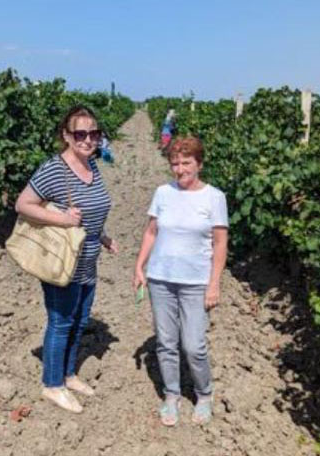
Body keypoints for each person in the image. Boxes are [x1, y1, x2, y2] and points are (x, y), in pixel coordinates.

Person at [15, 105, 118, 413]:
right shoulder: (54, 170)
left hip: (88, 260)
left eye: (94, 133)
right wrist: (62, 219)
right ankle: (52, 384)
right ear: (67, 136)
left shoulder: (92, 165)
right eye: (80, 133)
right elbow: (23, 204)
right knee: (61, 322)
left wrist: (102, 236)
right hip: (63, 263)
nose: (88, 139)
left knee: (80, 320)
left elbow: (92, 209)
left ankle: (69, 374)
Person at [133, 136, 228, 426]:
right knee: (166, 342)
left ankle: (204, 394)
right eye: (175, 163)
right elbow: (151, 232)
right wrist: (139, 266)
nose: (180, 169)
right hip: (161, 279)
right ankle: (171, 395)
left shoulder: (214, 197)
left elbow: (220, 243)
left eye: (186, 163)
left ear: (199, 164)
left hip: (195, 282)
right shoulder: (163, 193)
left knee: (194, 346)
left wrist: (214, 284)